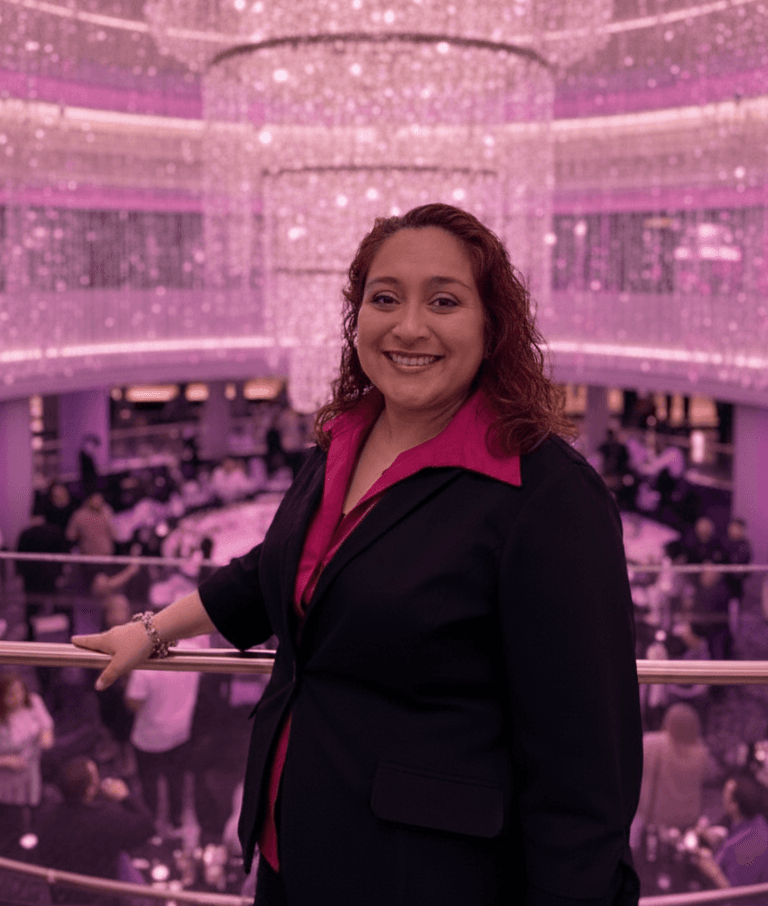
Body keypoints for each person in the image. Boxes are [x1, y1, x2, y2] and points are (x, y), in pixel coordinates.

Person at [73, 203, 643, 905]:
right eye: (384, 298)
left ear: (493, 324)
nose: (408, 327)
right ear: (357, 317)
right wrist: (154, 629)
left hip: (424, 877)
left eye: (444, 300)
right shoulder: (345, 435)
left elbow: (585, 769)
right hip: (294, 850)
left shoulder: (547, 494)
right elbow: (283, 567)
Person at [36, 755, 154, 905]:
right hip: (99, 891)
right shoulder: (105, 821)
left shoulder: (47, 817)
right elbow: (147, 827)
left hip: (63, 888)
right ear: (90, 789)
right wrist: (126, 797)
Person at [0, 671, 54, 851]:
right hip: (5, 777)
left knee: (34, 801)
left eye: (20, 691)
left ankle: (32, 835)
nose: (18, 697)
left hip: (31, 768)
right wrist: (6, 761)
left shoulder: (33, 702)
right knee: (10, 812)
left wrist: (46, 736)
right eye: (11, 694)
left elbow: (46, 725)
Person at [693, 773, 768, 888]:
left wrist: (713, 871)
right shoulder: (759, 822)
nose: (723, 795)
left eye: (726, 792)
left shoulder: (738, 848)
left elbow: (736, 895)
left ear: (734, 805)